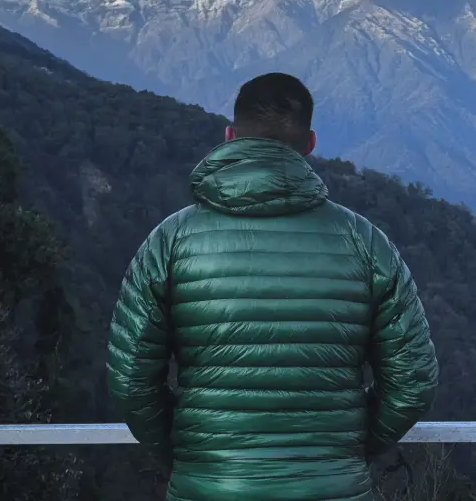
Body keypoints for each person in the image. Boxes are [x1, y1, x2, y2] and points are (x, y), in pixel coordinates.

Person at [107, 72, 438, 501]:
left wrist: (191, 454)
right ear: (311, 144)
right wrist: (347, 450)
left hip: (210, 486)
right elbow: (413, 382)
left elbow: (131, 378)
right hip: (333, 487)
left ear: (229, 135)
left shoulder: (169, 241)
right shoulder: (365, 242)